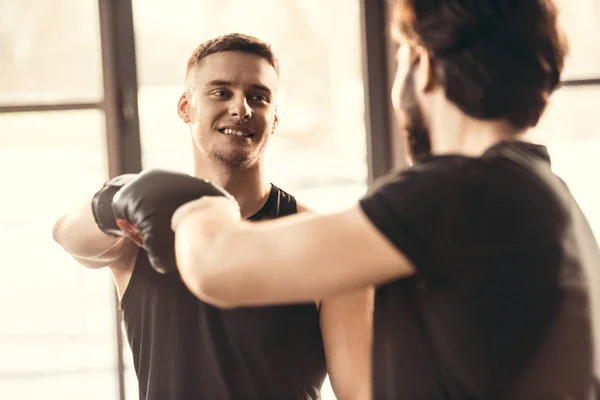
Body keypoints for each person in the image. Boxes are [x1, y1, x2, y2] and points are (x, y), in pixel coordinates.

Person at [106, 0, 600, 398]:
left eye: (402, 56)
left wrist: (193, 206)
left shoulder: (459, 190)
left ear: (424, 65)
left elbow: (216, 266)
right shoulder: (546, 195)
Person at [52, 33, 372, 400]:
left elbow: (362, 393)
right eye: (221, 92)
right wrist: (117, 201)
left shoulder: (319, 244)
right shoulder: (139, 228)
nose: (242, 108)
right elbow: (67, 235)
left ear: (275, 118)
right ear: (185, 107)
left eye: (258, 97)